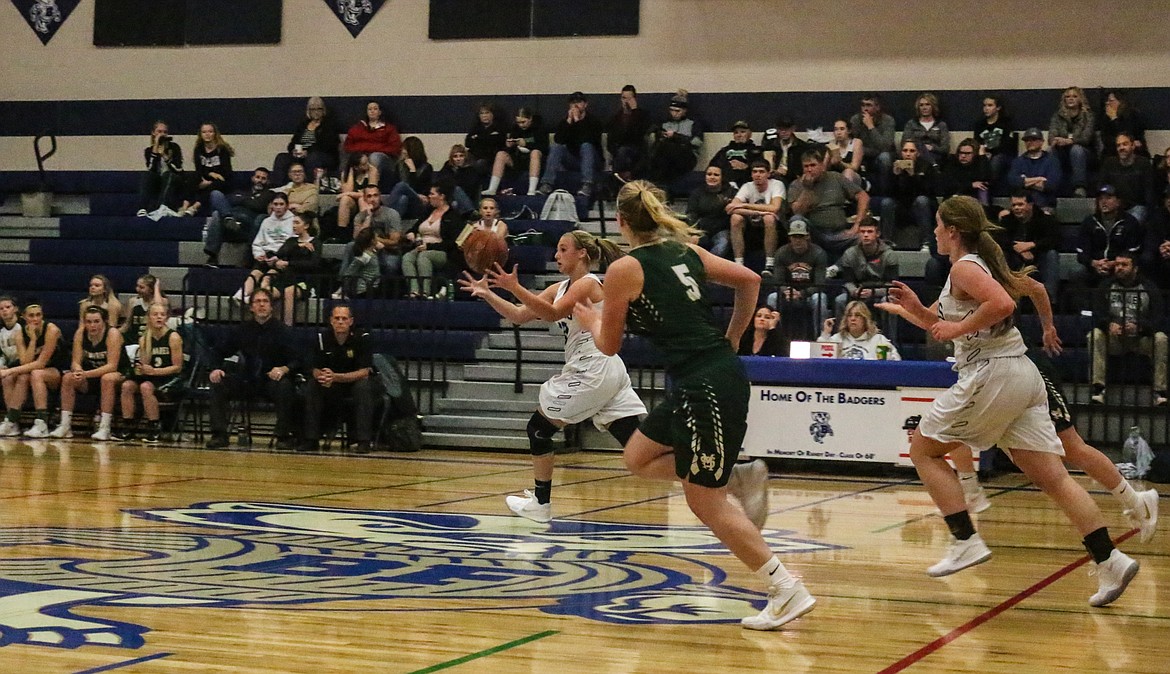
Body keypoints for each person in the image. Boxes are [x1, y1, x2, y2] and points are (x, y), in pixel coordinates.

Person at [574, 179, 817, 631]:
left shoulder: (625, 268)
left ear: (621, 222)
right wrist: (734, 337)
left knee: (703, 501)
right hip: (699, 378)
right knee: (638, 456)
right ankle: (739, 475)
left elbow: (608, 345)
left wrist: (590, 318)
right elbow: (750, 280)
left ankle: (786, 588)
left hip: (705, 383)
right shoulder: (685, 251)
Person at [877, 195, 1139, 607]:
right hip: (1019, 374)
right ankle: (1110, 558)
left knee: (923, 451)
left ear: (953, 230)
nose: (933, 231)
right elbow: (944, 325)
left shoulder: (966, 265)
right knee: (1054, 478)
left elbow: (1000, 305)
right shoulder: (967, 268)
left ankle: (965, 539)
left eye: (938, 225)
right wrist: (916, 311)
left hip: (992, 372)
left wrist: (958, 326)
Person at [946, 274, 1160, 542]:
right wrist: (907, 308)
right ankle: (1123, 524)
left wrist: (1048, 327)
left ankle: (1134, 504)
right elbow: (936, 316)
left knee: (1072, 448)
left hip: (1024, 370)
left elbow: (1037, 287)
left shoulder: (988, 274)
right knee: (955, 429)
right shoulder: (955, 283)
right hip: (996, 375)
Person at [460, 230, 646, 523]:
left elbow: (551, 313)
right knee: (640, 449)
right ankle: (705, 476)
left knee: (538, 428)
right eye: (557, 250)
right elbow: (521, 315)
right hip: (605, 369)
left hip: (592, 369)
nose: (556, 256)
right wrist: (489, 294)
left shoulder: (587, 284)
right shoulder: (561, 287)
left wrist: (515, 286)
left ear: (582, 254)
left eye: (563, 249)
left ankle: (541, 503)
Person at [206, 288, 299, 450]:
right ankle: (219, 434)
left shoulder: (283, 331)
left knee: (285, 386)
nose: (261, 305)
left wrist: (284, 369)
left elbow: (298, 359)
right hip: (246, 380)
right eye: (257, 302)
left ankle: (283, 436)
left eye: (265, 302)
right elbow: (217, 351)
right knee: (217, 382)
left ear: (271, 307)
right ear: (251, 307)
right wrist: (215, 368)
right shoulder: (242, 330)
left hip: (271, 381)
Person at [1087, 253, 1168, 406]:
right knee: (1095, 335)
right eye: (1117, 265)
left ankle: (1160, 391)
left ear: (1135, 268)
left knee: (1161, 338)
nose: (1119, 268)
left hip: (1141, 338)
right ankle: (1098, 389)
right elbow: (1097, 313)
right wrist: (1109, 324)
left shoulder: (1149, 287)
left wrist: (1140, 327)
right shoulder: (1106, 285)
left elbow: (1158, 317)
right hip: (1115, 338)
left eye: (1124, 265)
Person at [300, 304, 375, 453]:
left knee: (363, 388)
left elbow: (364, 372)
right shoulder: (321, 338)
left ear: (351, 321)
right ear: (331, 321)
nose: (340, 321)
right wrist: (322, 376)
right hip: (331, 384)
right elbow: (312, 367)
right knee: (312, 386)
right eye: (337, 318)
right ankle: (311, 439)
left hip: (354, 383)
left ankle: (363, 440)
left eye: (344, 318)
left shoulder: (362, 338)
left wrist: (336, 377)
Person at [49, 306, 125, 440]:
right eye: (89, 322)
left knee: (107, 378)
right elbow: (75, 361)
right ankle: (65, 425)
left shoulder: (112, 334)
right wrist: (77, 370)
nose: (92, 325)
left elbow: (112, 366)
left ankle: (105, 427)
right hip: (91, 375)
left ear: (104, 321)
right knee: (68, 378)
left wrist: (86, 374)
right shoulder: (80, 333)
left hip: (118, 375)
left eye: (96, 321)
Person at [787, 146, 871, 257]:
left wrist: (857, 225)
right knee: (796, 220)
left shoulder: (836, 178)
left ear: (822, 166)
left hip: (839, 233)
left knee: (865, 238)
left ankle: (836, 267)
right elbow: (798, 213)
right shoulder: (796, 185)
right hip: (814, 235)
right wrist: (807, 189)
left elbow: (863, 196)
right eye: (806, 166)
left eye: (813, 165)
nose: (809, 170)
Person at [118, 302, 183, 443]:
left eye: (162, 315)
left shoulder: (173, 337)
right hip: (151, 376)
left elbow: (178, 367)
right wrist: (140, 368)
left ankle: (154, 425)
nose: (159, 317)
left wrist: (155, 371)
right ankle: (128, 424)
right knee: (127, 385)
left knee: (145, 387)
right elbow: (144, 364)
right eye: (155, 314)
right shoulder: (144, 338)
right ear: (148, 318)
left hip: (169, 378)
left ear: (166, 318)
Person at [0, 303, 65, 438]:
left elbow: (41, 363)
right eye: (31, 315)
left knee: (35, 373)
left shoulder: (51, 330)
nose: (36, 319)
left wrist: (10, 370)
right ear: (23, 317)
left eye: (38, 315)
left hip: (56, 371)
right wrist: (33, 340)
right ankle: (12, 422)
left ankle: (42, 424)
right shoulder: (20, 334)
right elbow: (25, 362)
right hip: (33, 370)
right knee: (18, 377)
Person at [1071, 185, 1144, 299]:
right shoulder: (1089, 222)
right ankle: (1085, 313)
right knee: (1077, 273)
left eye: (1108, 198)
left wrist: (1113, 263)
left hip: (1118, 265)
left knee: (1130, 272)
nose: (1103, 202)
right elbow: (1082, 253)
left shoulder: (1130, 222)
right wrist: (1094, 263)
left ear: (1118, 202)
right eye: (1101, 199)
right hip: (1095, 266)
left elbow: (1132, 252)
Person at [765, 217, 829, 341]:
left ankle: (821, 338)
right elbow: (778, 281)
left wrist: (801, 294)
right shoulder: (781, 253)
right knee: (772, 298)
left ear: (807, 237)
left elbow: (820, 284)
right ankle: (774, 338)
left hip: (809, 294)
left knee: (820, 298)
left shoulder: (818, 253)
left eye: (801, 236)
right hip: (788, 294)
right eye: (795, 237)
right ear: (790, 237)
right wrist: (787, 291)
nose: (797, 240)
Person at [402, 180, 462, 299]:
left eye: (432, 194)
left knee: (424, 256)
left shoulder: (452, 216)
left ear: (442, 196)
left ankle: (425, 292)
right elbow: (415, 227)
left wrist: (429, 247)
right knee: (407, 257)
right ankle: (414, 291)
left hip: (441, 251)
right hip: (421, 247)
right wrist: (412, 233)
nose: (429, 196)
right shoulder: (428, 212)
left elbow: (452, 243)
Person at [996, 191, 1061, 299]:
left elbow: (1054, 240)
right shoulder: (1006, 220)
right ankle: (1005, 297)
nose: (1016, 208)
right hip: (1014, 259)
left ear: (1030, 205)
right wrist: (1017, 248)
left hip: (1038, 259)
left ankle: (1049, 299)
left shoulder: (1045, 219)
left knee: (1052, 255)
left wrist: (1032, 245)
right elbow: (999, 239)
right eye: (1014, 205)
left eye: (1020, 204)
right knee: (1001, 254)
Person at [203, 167, 274, 267]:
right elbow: (226, 201)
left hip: (247, 227)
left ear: (268, 181)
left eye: (263, 178)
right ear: (252, 178)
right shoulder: (241, 191)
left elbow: (257, 205)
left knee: (219, 213)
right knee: (216, 197)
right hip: (231, 224)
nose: (260, 180)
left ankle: (228, 218)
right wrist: (249, 200)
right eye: (258, 177)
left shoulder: (269, 194)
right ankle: (212, 257)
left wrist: (240, 200)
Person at [539, 91, 604, 199]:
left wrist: (578, 120)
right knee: (556, 147)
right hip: (573, 160)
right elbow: (558, 140)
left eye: (578, 102)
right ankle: (547, 183)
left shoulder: (593, 121)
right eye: (572, 103)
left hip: (592, 160)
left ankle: (587, 184)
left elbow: (588, 140)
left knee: (586, 146)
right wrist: (569, 121)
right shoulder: (565, 122)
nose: (575, 105)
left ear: (585, 104)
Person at [834, 217, 899, 321]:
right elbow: (848, 282)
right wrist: (855, 291)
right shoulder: (849, 254)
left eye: (870, 232)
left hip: (880, 293)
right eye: (862, 232)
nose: (865, 235)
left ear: (877, 234)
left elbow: (891, 285)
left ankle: (889, 336)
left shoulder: (889, 255)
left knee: (889, 301)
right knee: (840, 300)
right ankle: (842, 335)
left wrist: (873, 292)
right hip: (858, 292)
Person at [728, 160, 785, 275]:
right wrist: (760, 212)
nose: (757, 175)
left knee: (769, 218)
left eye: (761, 172)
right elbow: (731, 208)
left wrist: (745, 205)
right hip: (751, 226)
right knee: (735, 218)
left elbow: (775, 208)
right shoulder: (747, 186)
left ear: (768, 174)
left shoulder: (777, 184)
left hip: (776, 226)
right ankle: (739, 263)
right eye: (754, 172)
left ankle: (769, 264)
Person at [268, 212, 324, 326]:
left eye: (297, 223)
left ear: (306, 226)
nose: (294, 225)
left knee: (289, 292)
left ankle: (287, 327)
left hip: (303, 281)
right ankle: (268, 325)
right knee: (266, 293)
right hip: (286, 278)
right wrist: (298, 246)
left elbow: (313, 264)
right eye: (293, 222)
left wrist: (289, 263)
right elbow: (280, 253)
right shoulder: (291, 241)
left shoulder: (316, 243)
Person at [881, 139, 939, 250]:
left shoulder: (926, 166)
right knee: (886, 202)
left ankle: (926, 241)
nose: (908, 154)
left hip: (920, 207)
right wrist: (895, 176)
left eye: (912, 151)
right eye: (905, 150)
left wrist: (913, 176)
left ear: (918, 153)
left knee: (921, 200)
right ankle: (886, 242)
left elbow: (929, 192)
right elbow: (887, 193)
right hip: (901, 208)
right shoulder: (895, 166)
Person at [238, 192, 295, 303]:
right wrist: (259, 254)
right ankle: (240, 296)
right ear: (271, 205)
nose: (278, 207)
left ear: (287, 206)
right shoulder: (266, 221)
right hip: (266, 255)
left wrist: (279, 258)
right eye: (276, 204)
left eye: (281, 204)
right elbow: (258, 242)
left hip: (282, 258)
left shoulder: (293, 221)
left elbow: (294, 242)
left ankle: (256, 300)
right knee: (255, 274)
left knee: (266, 278)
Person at [272, 96, 341, 185]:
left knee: (312, 158)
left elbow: (328, 145)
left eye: (319, 109)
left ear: (323, 110)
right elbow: (293, 143)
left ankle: (309, 187)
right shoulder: (303, 125)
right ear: (309, 111)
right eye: (313, 109)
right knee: (281, 158)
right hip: (301, 155)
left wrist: (307, 152)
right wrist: (294, 150)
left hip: (323, 156)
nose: (316, 112)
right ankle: (278, 188)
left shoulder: (329, 125)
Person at [646, 91, 704, 190]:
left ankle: (654, 183)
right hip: (668, 157)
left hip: (687, 156)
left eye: (678, 111)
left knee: (666, 149)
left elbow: (697, 142)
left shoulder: (692, 123)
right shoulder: (665, 124)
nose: (674, 114)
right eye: (672, 110)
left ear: (685, 110)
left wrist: (676, 136)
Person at [484, 107, 546, 197]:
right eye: (518, 122)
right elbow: (510, 147)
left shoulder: (539, 128)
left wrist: (527, 144)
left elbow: (544, 147)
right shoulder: (515, 129)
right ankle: (492, 188)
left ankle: (532, 189)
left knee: (535, 152)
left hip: (534, 161)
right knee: (500, 154)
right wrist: (509, 145)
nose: (521, 125)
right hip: (518, 160)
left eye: (523, 122)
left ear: (530, 119)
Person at [1098, 133, 1156, 224]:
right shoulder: (1109, 163)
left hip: (1136, 207)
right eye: (1118, 145)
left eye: (1125, 144)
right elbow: (1101, 188)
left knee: (1128, 226)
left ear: (1133, 146)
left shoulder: (1144, 163)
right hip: (1114, 207)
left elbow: (1149, 192)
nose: (1121, 148)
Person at [1048, 87, 1096, 196]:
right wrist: (1056, 140)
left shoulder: (1088, 116)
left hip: (1085, 152)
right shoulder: (1057, 116)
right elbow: (1051, 136)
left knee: (1076, 149)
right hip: (1063, 150)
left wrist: (1070, 141)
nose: (1071, 99)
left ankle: (1079, 187)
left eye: (1074, 96)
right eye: (1068, 97)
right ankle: (1052, 185)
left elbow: (1086, 138)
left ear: (1080, 99)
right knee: (1050, 149)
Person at [182, 122, 234, 218]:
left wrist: (211, 180)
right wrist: (210, 174)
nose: (207, 134)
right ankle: (184, 207)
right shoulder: (199, 149)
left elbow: (226, 172)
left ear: (215, 134)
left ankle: (195, 207)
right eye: (204, 132)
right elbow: (199, 170)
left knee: (216, 184)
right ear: (200, 135)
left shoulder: (222, 149)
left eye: (210, 131)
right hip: (206, 178)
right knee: (192, 177)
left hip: (221, 181)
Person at [848, 94, 897, 195]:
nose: (865, 109)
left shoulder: (888, 121)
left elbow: (885, 147)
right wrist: (868, 151)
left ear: (877, 107)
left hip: (880, 158)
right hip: (862, 157)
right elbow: (852, 144)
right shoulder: (855, 120)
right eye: (863, 105)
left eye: (869, 105)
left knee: (885, 157)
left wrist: (870, 126)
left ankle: (885, 195)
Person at [818, 301, 900, 360]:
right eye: (849, 315)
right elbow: (819, 357)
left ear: (865, 319)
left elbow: (896, 361)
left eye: (857, 315)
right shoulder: (837, 339)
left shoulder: (879, 340)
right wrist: (825, 334)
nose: (853, 319)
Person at [686, 164, 736, 258]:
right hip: (700, 229)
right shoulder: (697, 193)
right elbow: (691, 214)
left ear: (722, 177)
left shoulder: (732, 193)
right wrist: (693, 233)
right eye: (709, 174)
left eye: (716, 175)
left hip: (721, 230)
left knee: (723, 244)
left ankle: (709, 265)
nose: (712, 177)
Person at [1008, 128, 1063, 211]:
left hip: (1045, 205)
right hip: (1021, 206)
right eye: (1027, 140)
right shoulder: (1018, 161)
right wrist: (1039, 179)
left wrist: (1025, 182)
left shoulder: (1052, 161)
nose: (1030, 142)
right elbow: (1013, 182)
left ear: (1042, 141)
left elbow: (1051, 185)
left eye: (1033, 139)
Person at [606, 85, 653, 184]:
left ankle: (618, 180)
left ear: (635, 99)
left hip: (638, 149)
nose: (626, 101)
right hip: (620, 151)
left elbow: (639, 134)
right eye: (623, 98)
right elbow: (611, 140)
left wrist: (635, 111)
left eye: (629, 98)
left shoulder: (643, 115)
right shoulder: (615, 118)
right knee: (622, 152)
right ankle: (624, 178)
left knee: (625, 152)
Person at [342, 100, 401, 177]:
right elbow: (347, 147)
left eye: (375, 109)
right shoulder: (357, 128)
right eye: (370, 109)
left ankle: (371, 184)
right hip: (361, 155)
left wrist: (368, 149)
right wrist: (365, 152)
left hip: (384, 159)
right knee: (353, 158)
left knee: (374, 157)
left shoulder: (389, 129)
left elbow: (394, 148)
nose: (372, 111)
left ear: (380, 112)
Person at [137, 120, 183, 216]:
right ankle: (143, 208)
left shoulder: (174, 147)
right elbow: (151, 168)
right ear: (153, 133)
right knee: (147, 175)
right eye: (159, 131)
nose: (162, 134)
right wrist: (155, 148)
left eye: (165, 132)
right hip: (158, 179)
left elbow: (178, 169)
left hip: (173, 179)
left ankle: (163, 206)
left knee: (168, 175)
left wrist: (164, 156)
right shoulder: (149, 150)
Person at [972, 94, 1017, 190]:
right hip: (984, 154)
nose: (986, 108)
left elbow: (1008, 144)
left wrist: (991, 152)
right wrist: (984, 153)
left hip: (1003, 155)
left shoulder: (1006, 123)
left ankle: (988, 184)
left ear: (998, 107)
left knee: (996, 160)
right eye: (984, 105)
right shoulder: (980, 124)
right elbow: (976, 143)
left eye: (990, 105)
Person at [386, 137, 435, 219]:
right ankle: (391, 222)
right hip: (402, 200)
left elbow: (422, 191)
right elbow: (393, 188)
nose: (402, 151)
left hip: (418, 203)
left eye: (404, 148)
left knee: (401, 185)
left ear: (412, 151)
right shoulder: (399, 166)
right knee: (403, 198)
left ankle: (386, 217)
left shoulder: (426, 167)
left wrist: (413, 171)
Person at [335, 152, 380, 235]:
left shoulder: (372, 171)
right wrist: (351, 174)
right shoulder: (346, 173)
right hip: (353, 204)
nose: (368, 165)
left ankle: (364, 233)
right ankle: (342, 234)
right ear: (356, 167)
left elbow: (370, 193)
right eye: (364, 164)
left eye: (367, 162)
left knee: (361, 199)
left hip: (368, 202)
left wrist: (348, 194)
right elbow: (347, 191)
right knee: (345, 199)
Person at [711, 120, 764, 189]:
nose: (739, 135)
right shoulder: (724, 150)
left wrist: (746, 167)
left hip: (748, 185)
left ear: (750, 134)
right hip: (725, 184)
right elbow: (712, 166)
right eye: (736, 132)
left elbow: (762, 169)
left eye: (742, 132)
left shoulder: (756, 151)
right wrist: (728, 165)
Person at [939, 139, 992, 205]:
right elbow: (948, 185)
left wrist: (982, 156)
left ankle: (982, 214)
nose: (963, 156)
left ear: (975, 154)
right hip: (955, 196)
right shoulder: (952, 162)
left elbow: (985, 178)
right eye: (961, 153)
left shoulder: (979, 163)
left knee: (983, 190)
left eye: (968, 153)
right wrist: (971, 185)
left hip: (974, 198)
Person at [902, 93, 950, 165]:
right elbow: (904, 143)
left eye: (927, 104)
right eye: (921, 105)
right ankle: (933, 166)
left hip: (936, 155)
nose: (924, 107)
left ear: (933, 106)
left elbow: (945, 148)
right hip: (915, 156)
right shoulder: (911, 124)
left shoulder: (941, 125)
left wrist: (932, 148)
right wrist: (920, 148)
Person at [1098, 90, 1147, 159]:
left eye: (1111, 101)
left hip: (1133, 148)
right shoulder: (1106, 118)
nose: (1107, 103)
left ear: (1120, 102)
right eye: (1107, 101)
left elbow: (1129, 134)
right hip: (1113, 149)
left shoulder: (1133, 115)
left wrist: (1115, 119)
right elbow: (1105, 139)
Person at [463, 102, 507, 178]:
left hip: (491, 159)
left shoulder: (500, 128)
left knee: (480, 164)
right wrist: (486, 139)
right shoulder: (476, 128)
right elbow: (468, 143)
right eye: (482, 113)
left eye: (487, 113)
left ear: (493, 114)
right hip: (475, 156)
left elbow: (497, 143)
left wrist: (478, 139)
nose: (485, 116)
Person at [761, 116, 808, 186]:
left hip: (793, 179)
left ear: (793, 129)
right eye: (780, 129)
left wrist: (786, 172)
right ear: (776, 130)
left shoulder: (802, 147)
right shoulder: (770, 146)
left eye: (786, 129)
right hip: (772, 177)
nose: (783, 132)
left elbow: (802, 168)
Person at [121, 274, 167, 344]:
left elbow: (158, 306)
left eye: (141, 287)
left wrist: (156, 286)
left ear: (151, 289)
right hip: (134, 341)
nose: (137, 289)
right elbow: (127, 324)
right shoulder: (133, 301)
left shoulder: (163, 301)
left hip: (153, 340)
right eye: (137, 286)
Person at [434, 144, 479, 214]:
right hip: (448, 197)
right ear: (451, 158)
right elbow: (440, 181)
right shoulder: (447, 167)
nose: (458, 159)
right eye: (455, 156)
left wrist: (459, 171)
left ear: (465, 157)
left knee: (456, 192)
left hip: (466, 199)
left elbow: (469, 188)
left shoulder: (471, 169)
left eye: (461, 156)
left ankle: (471, 213)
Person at [826, 118, 866, 189]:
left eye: (842, 129)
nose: (838, 132)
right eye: (836, 129)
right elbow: (824, 168)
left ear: (849, 131)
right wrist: (831, 163)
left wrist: (840, 163)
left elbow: (855, 167)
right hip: (836, 178)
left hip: (854, 177)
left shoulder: (856, 143)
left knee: (848, 172)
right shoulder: (832, 144)